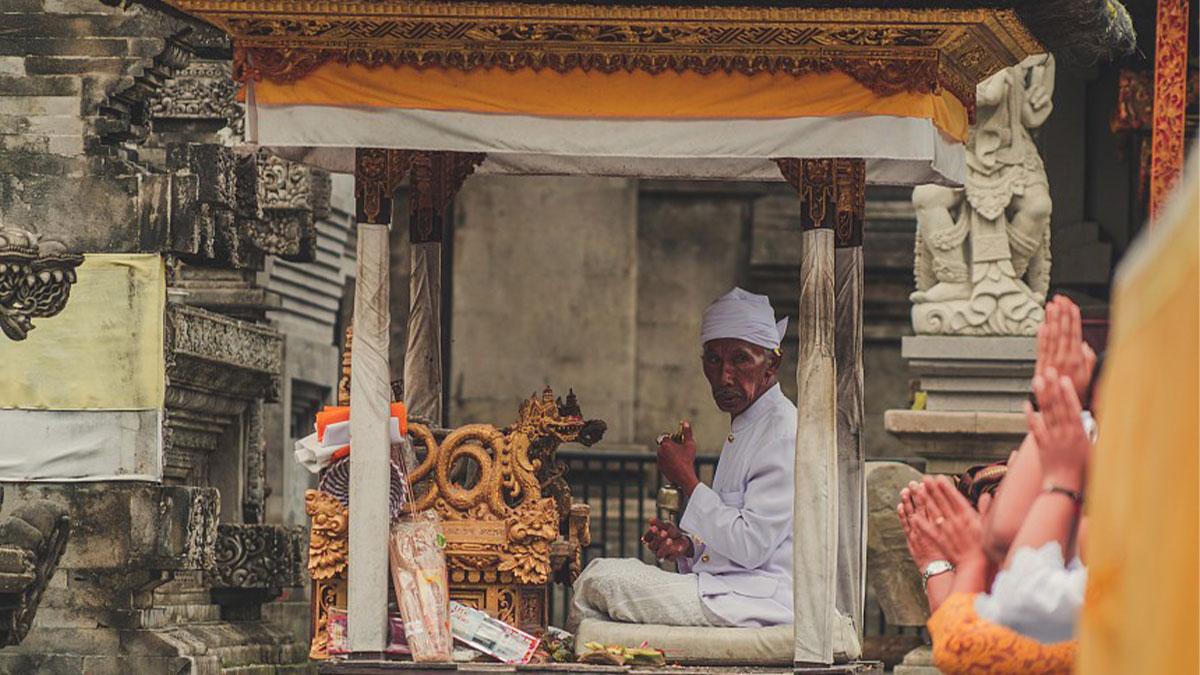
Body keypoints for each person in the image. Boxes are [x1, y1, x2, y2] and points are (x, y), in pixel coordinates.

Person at [567, 287, 794, 630]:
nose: (724, 376)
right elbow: (741, 536)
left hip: (760, 602)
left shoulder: (781, 430)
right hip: (735, 591)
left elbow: (751, 546)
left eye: (741, 359)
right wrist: (689, 547)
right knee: (602, 589)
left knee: (597, 580)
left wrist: (686, 477)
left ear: (772, 364)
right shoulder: (750, 425)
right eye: (714, 361)